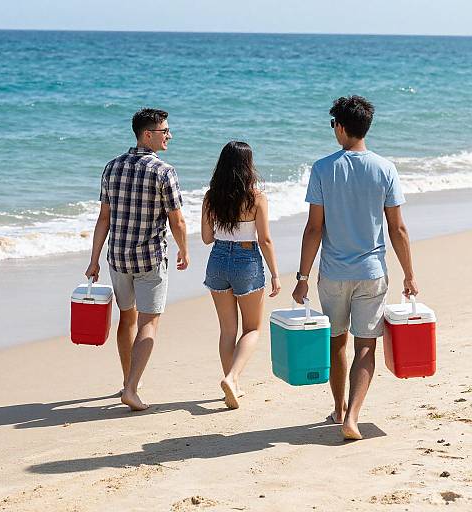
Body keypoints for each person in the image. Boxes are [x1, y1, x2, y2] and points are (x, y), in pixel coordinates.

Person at [292, 96, 418, 440]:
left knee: (336, 342)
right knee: (366, 346)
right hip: (372, 273)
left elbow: (314, 228)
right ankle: (352, 416)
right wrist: (409, 274)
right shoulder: (385, 168)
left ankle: (337, 408)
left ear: (341, 127)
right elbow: (398, 228)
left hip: (333, 273)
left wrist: (302, 277)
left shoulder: (322, 168)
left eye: (333, 124)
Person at [85, 108, 189, 411]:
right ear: (148, 135)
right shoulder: (164, 171)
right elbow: (177, 221)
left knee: (126, 318)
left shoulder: (112, 167)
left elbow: (103, 218)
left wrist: (94, 260)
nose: (169, 135)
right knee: (149, 322)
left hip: (117, 257)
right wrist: (184, 249)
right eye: (165, 131)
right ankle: (131, 388)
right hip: (149, 259)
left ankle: (128, 379)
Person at [201, 141, 281, 409]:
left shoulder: (211, 196)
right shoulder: (256, 197)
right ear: (248, 166)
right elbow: (266, 239)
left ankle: (230, 385)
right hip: (247, 260)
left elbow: (206, 237)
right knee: (252, 328)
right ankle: (233, 378)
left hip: (218, 259)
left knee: (227, 330)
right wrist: (275, 274)